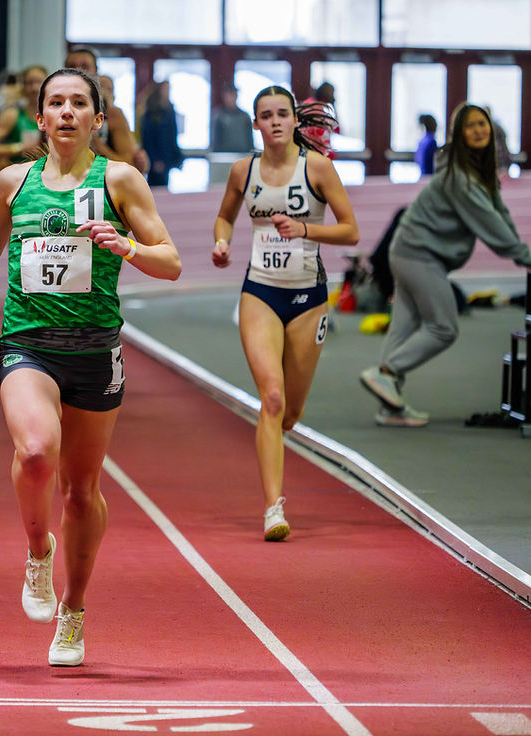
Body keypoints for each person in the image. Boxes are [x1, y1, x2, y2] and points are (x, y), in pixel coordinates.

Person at [0, 68, 181, 666]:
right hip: (29, 343)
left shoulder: (122, 180)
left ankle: (74, 611)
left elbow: (171, 262)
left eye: (79, 103)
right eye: (55, 103)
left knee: (82, 491)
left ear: (96, 119)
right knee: (35, 452)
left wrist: (125, 245)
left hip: (95, 349)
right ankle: (38, 551)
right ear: (40, 118)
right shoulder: (12, 181)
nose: (66, 113)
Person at [211, 86, 359, 540]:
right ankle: (273, 509)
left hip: (308, 299)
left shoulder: (317, 168)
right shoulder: (243, 170)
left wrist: (305, 228)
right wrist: (222, 243)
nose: (274, 121)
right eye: (265, 115)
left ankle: (284, 429)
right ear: (255, 124)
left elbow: (350, 231)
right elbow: (225, 217)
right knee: (270, 398)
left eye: (282, 114)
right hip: (259, 293)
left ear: (295, 121)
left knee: (290, 411)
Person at [359, 102, 531, 427]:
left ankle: (389, 407)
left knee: (404, 327)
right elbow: (489, 225)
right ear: (458, 134)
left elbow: (500, 215)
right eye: (471, 125)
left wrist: (522, 250)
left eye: (483, 124)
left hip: (410, 252)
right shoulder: (459, 178)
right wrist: (523, 256)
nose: (479, 130)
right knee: (444, 328)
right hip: (418, 255)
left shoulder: (479, 174)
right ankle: (386, 373)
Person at [63, 48, 149, 173]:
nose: (77, 71)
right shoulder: (52, 110)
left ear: (96, 72)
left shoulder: (112, 113)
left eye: (84, 66)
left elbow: (130, 165)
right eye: (71, 67)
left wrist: (95, 143)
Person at [0, 65, 46, 174]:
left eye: (39, 82)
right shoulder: (13, 114)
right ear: (22, 87)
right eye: (29, 83)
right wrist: (18, 148)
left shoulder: (53, 116)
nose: (34, 88)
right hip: (18, 179)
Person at [139, 80, 183, 187]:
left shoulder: (169, 111)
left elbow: (172, 137)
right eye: (165, 90)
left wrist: (177, 157)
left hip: (167, 158)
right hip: (156, 160)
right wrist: (154, 160)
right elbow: (148, 139)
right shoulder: (150, 114)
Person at [210, 82, 253, 153]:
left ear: (236, 95)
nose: (230, 98)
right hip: (224, 156)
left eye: (232, 95)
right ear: (224, 96)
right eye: (228, 95)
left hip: (242, 156)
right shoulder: (219, 116)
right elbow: (215, 142)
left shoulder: (244, 116)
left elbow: (249, 140)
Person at [302, 82, 340, 159]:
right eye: (332, 93)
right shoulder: (315, 109)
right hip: (313, 155)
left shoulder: (312, 104)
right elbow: (336, 129)